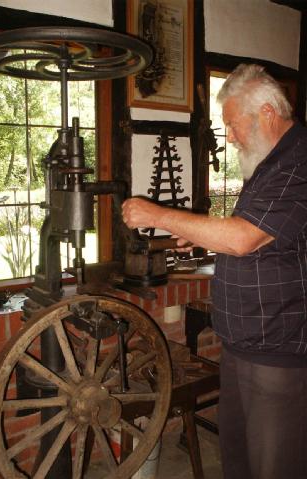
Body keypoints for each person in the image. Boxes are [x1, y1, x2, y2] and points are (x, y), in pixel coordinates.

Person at [122, 63, 307, 479]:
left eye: (232, 124)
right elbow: (260, 237)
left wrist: (160, 215)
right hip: (245, 342)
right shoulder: (270, 163)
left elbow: (244, 239)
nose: (230, 136)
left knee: (276, 465)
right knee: (238, 457)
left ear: (266, 113)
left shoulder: (298, 162)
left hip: (278, 348)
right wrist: (203, 235)